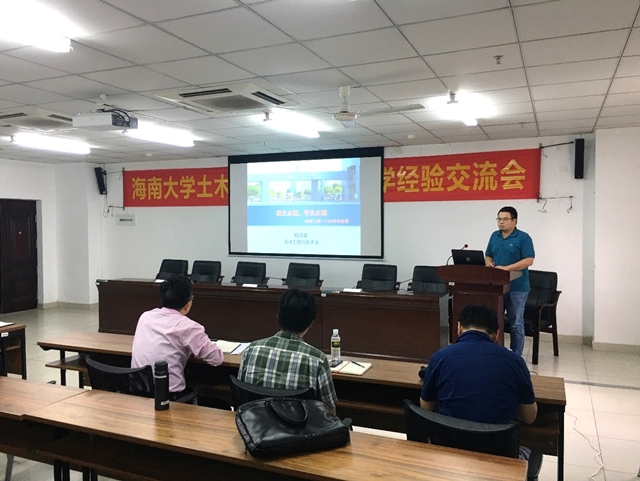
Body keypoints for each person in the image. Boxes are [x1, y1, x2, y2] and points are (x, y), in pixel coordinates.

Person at [420, 304, 537, 425]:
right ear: (496, 334)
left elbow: (426, 407)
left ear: (459, 328)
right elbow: (529, 417)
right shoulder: (515, 362)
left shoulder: (439, 358)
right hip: (498, 437)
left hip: (450, 436)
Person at [238, 288, 338, 413]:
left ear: (278, 316)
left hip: (255, 424)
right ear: (311, 323)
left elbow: (242, 396)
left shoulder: (251, 350)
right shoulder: (317, 360)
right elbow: (329, 412)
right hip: (299, 425)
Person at [131, 275, 223, 400]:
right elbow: (216, 359)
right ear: (188, 304)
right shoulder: (189, 327)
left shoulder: (145, 317)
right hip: (169, 397)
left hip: (140, 393)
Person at [485, 206, 535, 356]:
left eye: (505, 219)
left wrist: (507, 269)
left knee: (516, 324)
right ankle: (495, 353)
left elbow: (529, 260)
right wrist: (489, 263)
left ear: (514, 221)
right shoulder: (494, 236)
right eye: (499, 219)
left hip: (517, 288)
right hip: (497, 287)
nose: (501, 222)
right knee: (493, 322)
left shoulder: (523, 237)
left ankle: (515, 356)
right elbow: (488, 255)